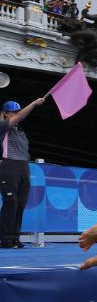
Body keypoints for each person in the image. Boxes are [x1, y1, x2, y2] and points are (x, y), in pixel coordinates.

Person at [0, 98, 45, 248]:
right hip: (8, 164)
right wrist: (33, 103)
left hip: (23, 166)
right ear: (6, 114)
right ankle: (5, 238)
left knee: (20, 203)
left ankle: (14, 237)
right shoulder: (2, 126)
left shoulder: (21, 132)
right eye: (13, 112)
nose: (17, 114)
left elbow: (25, 151)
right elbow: (20, 117)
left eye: (17, 112)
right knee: (10, 201)